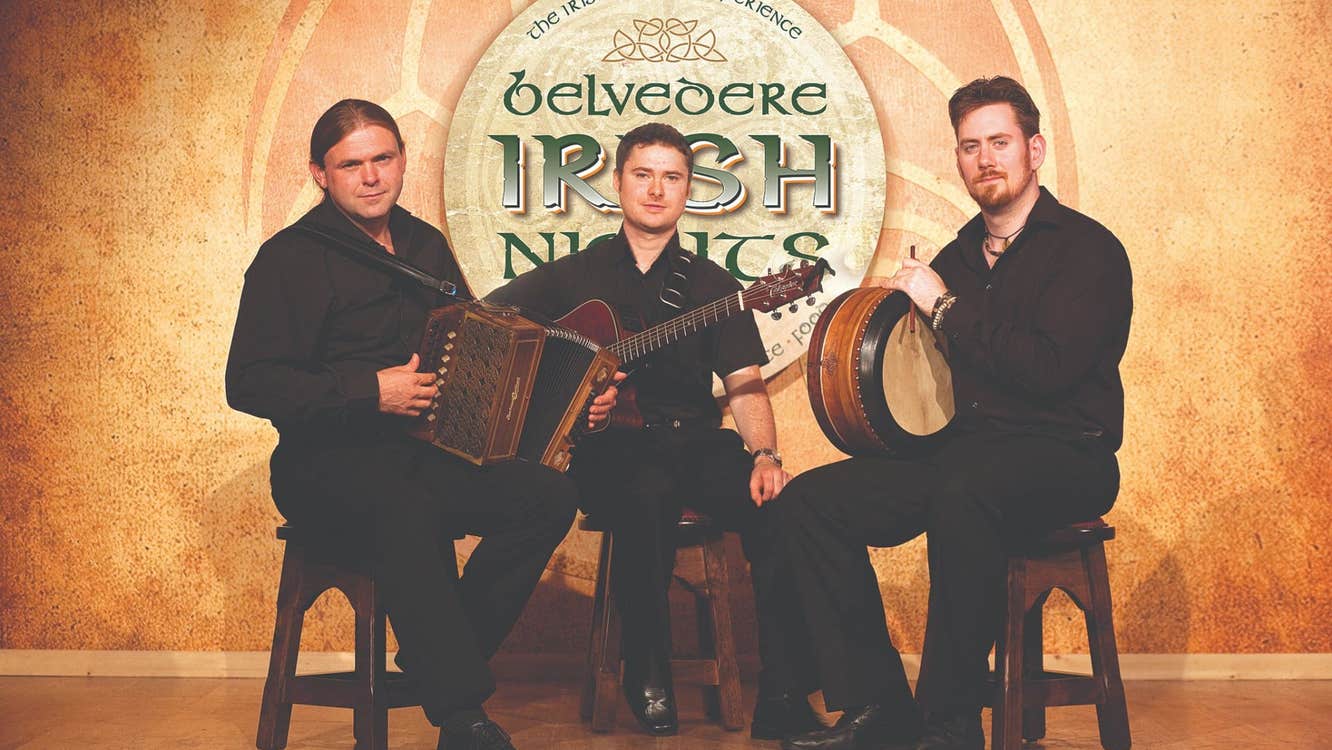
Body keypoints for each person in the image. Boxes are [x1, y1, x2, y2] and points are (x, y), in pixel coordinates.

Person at [226, 99, 617, 750]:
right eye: (352, 164)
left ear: (402, 160)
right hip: (323, 463)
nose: (371, 176)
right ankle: (462, 716)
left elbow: (482, 352)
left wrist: (575, 402)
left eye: (383, 158)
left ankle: (440, 652)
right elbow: (249, 383)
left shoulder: (426, 246)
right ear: (321, 174)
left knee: (547, 496)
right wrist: (366, 391)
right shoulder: (288, 259)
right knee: (401, 503)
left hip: (423, 451)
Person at [775, 76, 1133, 750]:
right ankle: (877, 707)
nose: (985, 159)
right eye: (970, 147)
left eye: (1000, 142)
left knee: (966, 491)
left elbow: (1047, 372)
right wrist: (885, 344)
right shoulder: (957, 258)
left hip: (1067, 453)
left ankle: (950, 718)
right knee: (812, 502)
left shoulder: (1086, 250)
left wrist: (944, 308)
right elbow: (927, 384)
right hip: (963, 453)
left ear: (1036, 148)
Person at [487, 123, 821, 740]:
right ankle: (646, 669)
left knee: (782, 507)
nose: (657, 189)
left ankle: (784, 691)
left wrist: (766, 455)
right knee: (648, 491)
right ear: (617, 183)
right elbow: (496, 326)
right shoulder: (570, 277)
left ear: (690, 190)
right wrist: (563, 397)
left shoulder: (715, 287)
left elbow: (745, 381)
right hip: (609, 450)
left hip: (695, 440)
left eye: (673, 177)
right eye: (643, 174)